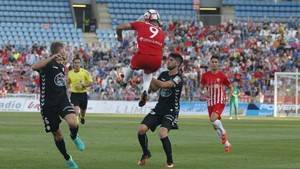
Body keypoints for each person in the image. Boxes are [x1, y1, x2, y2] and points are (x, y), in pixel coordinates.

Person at [32, 42, 85, 169]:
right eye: (64, 50)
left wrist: (67, 94)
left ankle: (74, 136)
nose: (66, 52)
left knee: (73, 123)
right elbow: (34, 67)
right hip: (48, 104)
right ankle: (68, 158)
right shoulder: (47, 64)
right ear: (57, 52)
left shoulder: (63, 65)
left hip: (62, 100)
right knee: (57, 134)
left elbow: (61, 82)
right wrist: (51, 57)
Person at [137, 53, 183, 168]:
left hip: (171, 110)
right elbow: (154, 88)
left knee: (162, 133)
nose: (168, 62)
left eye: (171, 60)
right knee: (141, 129)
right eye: (168, 60)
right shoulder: (163, 74)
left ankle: (169, 162)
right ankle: (146, 153)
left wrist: (148, 76)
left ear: (177, 63)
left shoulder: (178, 78)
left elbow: (165, 85)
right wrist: (146, 89)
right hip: (159, 109)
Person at [116, 9, 165, 107]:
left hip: (142, 56)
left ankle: (124, 81)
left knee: (132, 66)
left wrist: (119, 36)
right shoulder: (161, 32)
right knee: (148, 74)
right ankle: (145, 91)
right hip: (157, 60)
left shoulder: (141, 24)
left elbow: (120, 27)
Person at [200, 55, 233, 153]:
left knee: (213, 119)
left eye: (216, 62)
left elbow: (230, 87)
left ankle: (224, 132)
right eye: (212, 62)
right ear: (210, 63)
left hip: (219, 100)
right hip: (210, 102)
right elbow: (201, 87)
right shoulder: (205, 75)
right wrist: (203, 92)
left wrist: (228, 96)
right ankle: (227, 144)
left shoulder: (222, 76)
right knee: (214, 125)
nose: (214, 63)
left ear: (218, 64)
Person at [67, 57, 93, 125]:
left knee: (83, 110)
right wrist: (68, 88)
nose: (77, 64)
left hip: (83, 94)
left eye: (78, 63)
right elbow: (68, 82)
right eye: (75, 63)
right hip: (74, 94)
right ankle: (76, 125)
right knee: (76, 111)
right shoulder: (70, 73)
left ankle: (82, 117)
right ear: (73, 64)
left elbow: (90, 83)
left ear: (80, 64)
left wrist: (83, 85)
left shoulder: (85, 72)